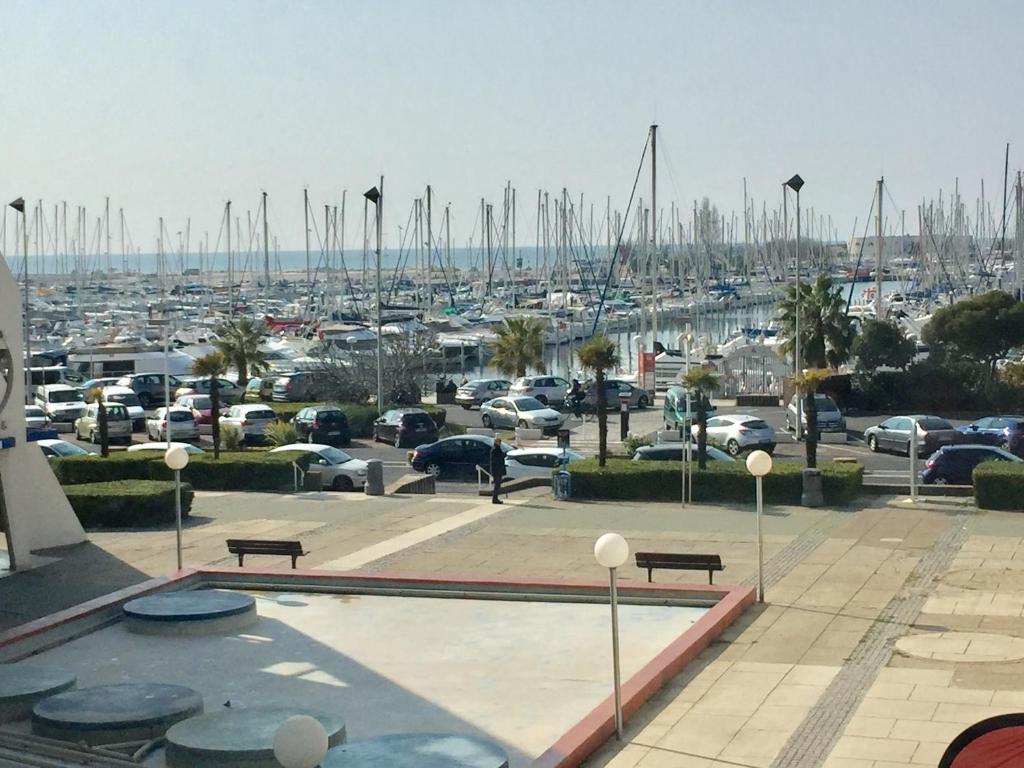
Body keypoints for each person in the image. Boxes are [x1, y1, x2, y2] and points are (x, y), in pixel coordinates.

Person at [489, 436, 506, 504]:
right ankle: (495, 498)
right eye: (499, 442)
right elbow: (495, 461)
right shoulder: (495, 449)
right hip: (497, 470)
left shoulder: (497, 449)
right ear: (496, 442)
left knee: (498, 485)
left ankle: (495, 498)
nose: (500, 443)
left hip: (498, 470)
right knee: (497, 485)